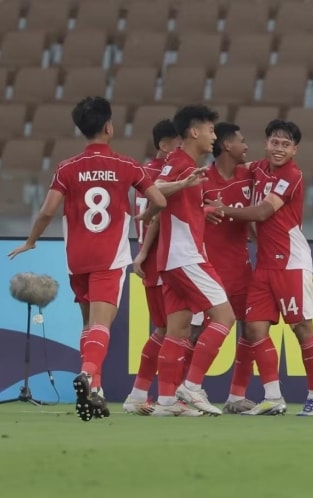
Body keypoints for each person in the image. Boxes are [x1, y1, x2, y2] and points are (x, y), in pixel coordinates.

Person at [7, 96, 170, 422]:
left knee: (87, 324)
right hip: (108, 256)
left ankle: (95, 389)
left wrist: (31, 241)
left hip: (76, 257)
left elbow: (48, 210)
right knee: (101, 324)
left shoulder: (67, 168)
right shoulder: (128, 165)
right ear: (109, 126)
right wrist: (145, 214)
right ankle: (87, 374)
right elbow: (160, 201)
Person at [213, 119, 313, 417]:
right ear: (266, 144)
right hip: (263, 265)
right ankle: (273, 396)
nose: (279, 149)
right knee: (253, 329)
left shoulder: (293, 175)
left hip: (291, 262)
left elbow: (263, 211)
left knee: (302, 329)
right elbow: (229, 169)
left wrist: (224, 211)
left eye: (285, 144)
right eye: (275, 142)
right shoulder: (258, 168)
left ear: (295, 150)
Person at [152, 104, 236, 417]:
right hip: (186, 256)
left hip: (173, 258)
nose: (214, 136)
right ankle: (192, 385)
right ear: (194, 131)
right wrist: (184, 184)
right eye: (211, 130)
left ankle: (165, 402)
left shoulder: (186, 164)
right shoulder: (180, 162)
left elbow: (175, 207)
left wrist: (204, 211)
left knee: (178, 330)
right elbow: (155, 190)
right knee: (225, 317)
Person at [123, 119, 181, 415]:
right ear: (163, 145)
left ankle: (140, 393)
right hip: (164, 261)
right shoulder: (161, 176)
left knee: (166, 329)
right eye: (177, 143)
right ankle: (169, 397)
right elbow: (158, 218)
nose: (182, 149)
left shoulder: (143, 173)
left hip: (156, 261)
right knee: (176, 329)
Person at [199, 122, 257, 414]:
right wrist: (204, 211)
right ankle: (185, 389)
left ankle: (236, 396)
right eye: (242, 141)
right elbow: (181, 214)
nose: (247, 147)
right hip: (208, 271)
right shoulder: (201, 180)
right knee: (196, 333)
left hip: (242, 270)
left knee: (249, 331)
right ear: (226, 146)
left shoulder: (250, 174)